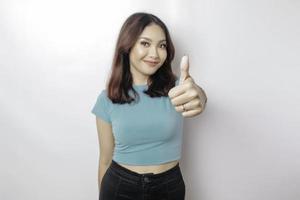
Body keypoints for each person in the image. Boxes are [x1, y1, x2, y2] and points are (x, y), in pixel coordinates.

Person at [91, 12, 207, 200]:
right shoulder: (107, 99)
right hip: (119, 186)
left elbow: (195, 94)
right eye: (145, 43)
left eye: (161, 45)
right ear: (127, 46)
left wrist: (200, 97)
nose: (154, 54)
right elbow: (104, 159)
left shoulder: (177, 89)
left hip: (168, 186)